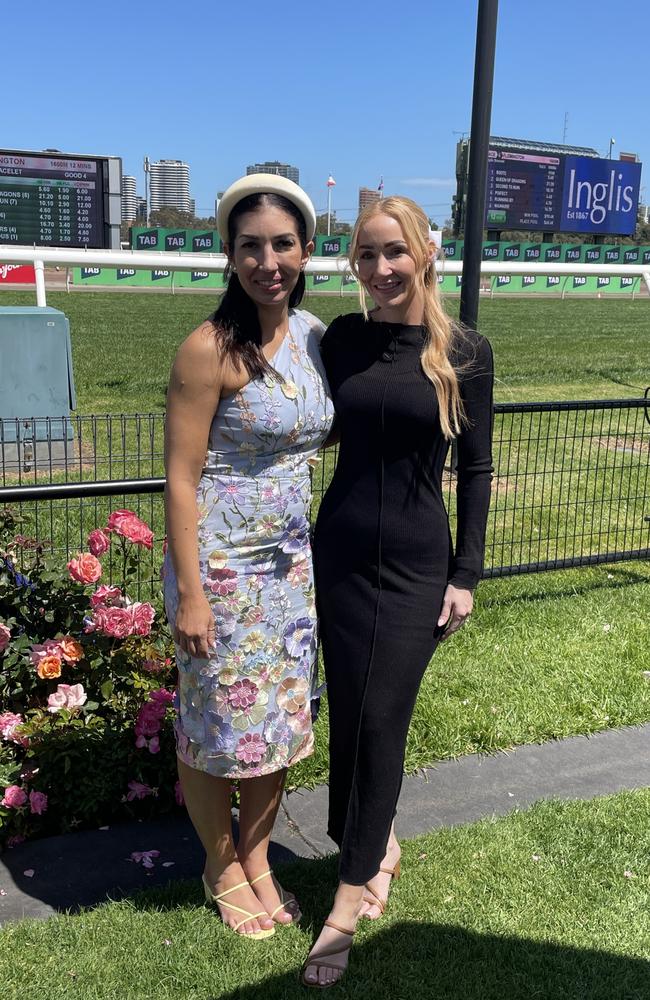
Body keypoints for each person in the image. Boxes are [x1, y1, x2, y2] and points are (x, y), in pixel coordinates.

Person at [303, 196, 494, 985]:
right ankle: (376, 845)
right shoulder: (343, 340)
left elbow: (477, 470)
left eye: (394, 253)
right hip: (339, 553)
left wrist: (467, 574)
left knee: (383, 719)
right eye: (366, 257)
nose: (380, 270)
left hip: (417, 565)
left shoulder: (466, 351)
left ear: (424, 255)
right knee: (349, 715)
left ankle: (344, 903)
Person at [163, 174, 334, 940]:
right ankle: (219, 862)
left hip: (289, 571)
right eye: (251, 246)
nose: (269, 260)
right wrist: (192, 594)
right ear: (229, 255)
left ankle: (258, 856)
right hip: (222, 573)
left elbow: (328, 425)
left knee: (276, 722)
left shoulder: (314, 337)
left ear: (305, 250)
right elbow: (180, 477)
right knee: (214, 727)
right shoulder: (209, 347)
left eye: (283, 244)